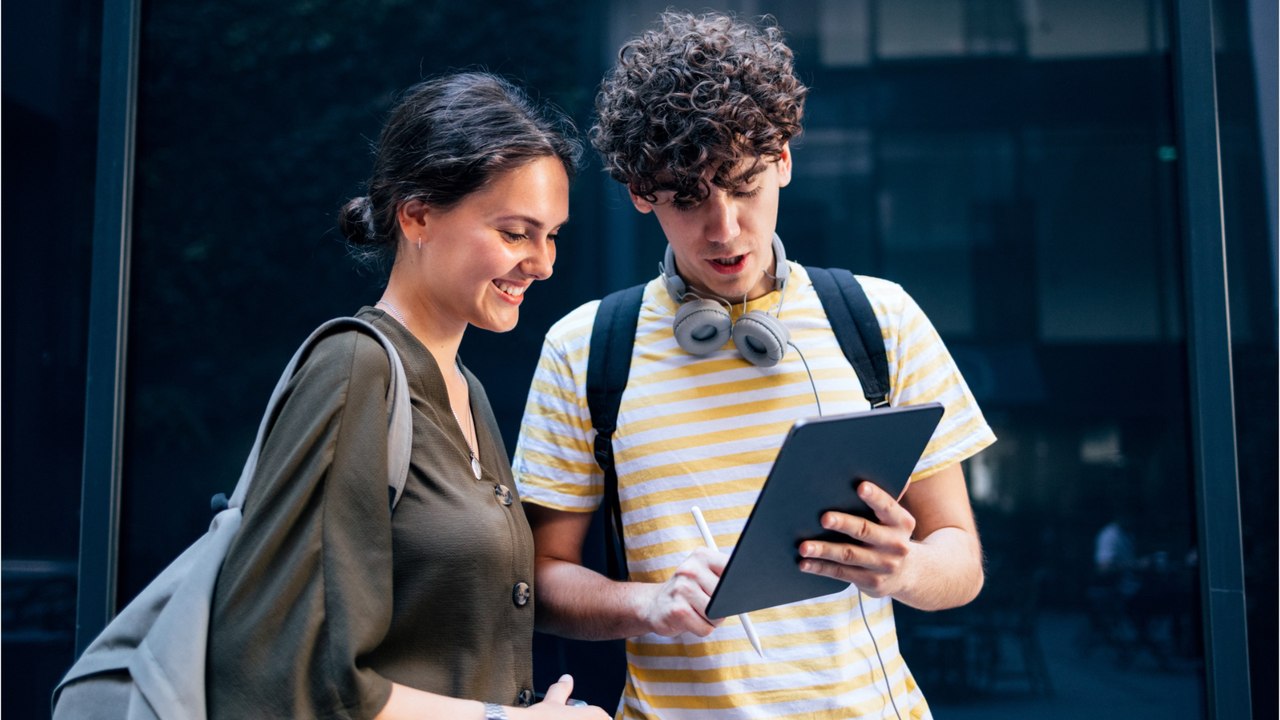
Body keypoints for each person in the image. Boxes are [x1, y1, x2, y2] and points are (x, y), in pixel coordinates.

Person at [512, 12, 996, 718]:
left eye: (743, 186)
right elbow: (542, 582)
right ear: (640, 194)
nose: (725, 228)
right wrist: (649, 602)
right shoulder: (585, 349)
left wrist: (909, 566)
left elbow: (962, 563)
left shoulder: (880, 319)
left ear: (785, 161)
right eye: (687, 198)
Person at [207, 72, 609, 720]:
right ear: (418, 214)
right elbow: (306, 675)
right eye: (515, 233)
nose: (544, 262)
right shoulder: (354, 371)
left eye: (552, 234)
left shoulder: (467, 390)